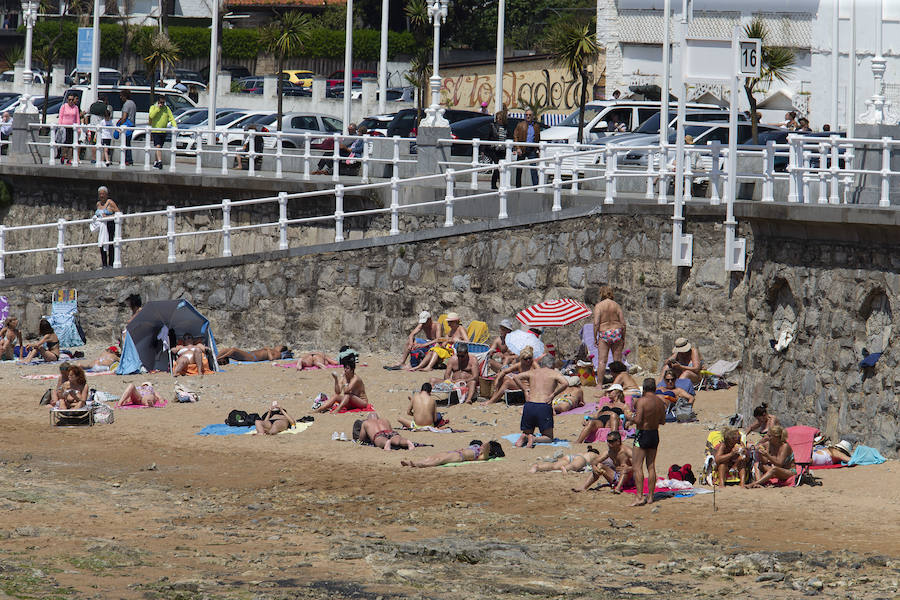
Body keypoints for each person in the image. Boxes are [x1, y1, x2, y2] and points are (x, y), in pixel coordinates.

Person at [626, 378, 667, 506]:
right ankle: (650, 496)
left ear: (644, 388)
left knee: (637, 466)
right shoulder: (660, 402)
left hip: (642, 434)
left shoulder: (641, 401)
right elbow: (662, 421)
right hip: (654, 434)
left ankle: (639, 497)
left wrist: (628, 417)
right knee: (651, 466)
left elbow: (638, 420)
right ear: (654, 388)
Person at [513, 355, 568, 448]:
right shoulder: (554, 373)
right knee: (548, 437)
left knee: (527, 431)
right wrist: (553, 395)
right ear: (553, 364)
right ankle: (533, 439)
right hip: (544, 405)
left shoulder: (533, 372)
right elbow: (565, 383)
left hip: (529, 405)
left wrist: (525, 390)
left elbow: (516, 377)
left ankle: (524, 436)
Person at [401, 439, 504, 467]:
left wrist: (490, 445)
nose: (481, 446)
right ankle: (413, 463)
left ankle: (419, 465)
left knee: (439, 460)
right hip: (454, 452)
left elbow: (486, 445)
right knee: (432, 457)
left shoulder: (483, 456)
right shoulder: (478, 449)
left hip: (460, 456)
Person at [593, 285, 626, 366]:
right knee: (617, 361)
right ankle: (618, 378)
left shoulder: (599, 306)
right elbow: (623, 324)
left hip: (604, 332)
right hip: (616, 331)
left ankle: (600, 379)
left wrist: (595, 338)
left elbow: (596, 323)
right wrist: (623, 337)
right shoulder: (616, 305)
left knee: (602, 361)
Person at [513, 109, 540, 188]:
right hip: (522, 148)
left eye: (530, 115)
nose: (528, 116)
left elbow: (538, 138)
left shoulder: (536, 126)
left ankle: (536, 186)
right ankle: (518, 186)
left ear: (533, 116)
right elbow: (515, 136)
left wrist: (538, 149)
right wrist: (517, 148)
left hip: (532, 149)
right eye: (526, 115)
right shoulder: (520, 125)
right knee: (519, 167)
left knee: (533, 167)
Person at [530, 445, 602, 474]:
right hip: (581, 459)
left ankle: (538, 467)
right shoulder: (595, 455)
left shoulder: (583, 453)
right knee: (573, 466)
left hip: (570, 457)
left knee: (554, 466)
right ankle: (565, 469)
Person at [148, 96, 177, 170]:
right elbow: (151, 116)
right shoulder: (153, 107)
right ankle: (160, 162)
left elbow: (171, 118)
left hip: (163, 131)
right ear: (158, 102)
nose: (162, 104)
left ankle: (156, 162)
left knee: (159, 147)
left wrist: (175, 126)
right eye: (161, 102)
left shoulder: (166, 109)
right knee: (158, 146)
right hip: (155, 130)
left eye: (163, 102)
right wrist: (158, 108)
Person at [94, 186, 120, 268]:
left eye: (103, 194)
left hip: (109, 225)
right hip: (102, 227)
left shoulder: (110, 203)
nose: (101, 196)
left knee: (110, 243)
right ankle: (104, 264)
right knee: (101, 243)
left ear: (106, 194)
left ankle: (111, 263)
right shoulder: (98, 204)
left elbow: (118, 213)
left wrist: (108, 216)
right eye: (100, 194)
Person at [57, 94, 80, 164]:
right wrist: (60, 126)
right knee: (65, 143)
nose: (71, 101)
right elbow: (60, 116)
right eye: (69, 100)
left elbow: (77, 118)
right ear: (67, 100)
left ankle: (69, 159)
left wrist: (78, 128)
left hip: (72, 128)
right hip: (64, 127)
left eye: (72, 100)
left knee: (71, 144)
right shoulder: (63, 106)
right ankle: (63, 156)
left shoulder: (76, 108)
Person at [489, 111, 508, 190]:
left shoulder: (506, 127)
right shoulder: (492, 126)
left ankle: (501, 183)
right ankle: (493, 184)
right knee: (497, 166)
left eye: (500, 118)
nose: (498, 120)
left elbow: (508, 137)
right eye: (497, 118)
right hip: (494, 150)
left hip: (503, 150)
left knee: (502, 167)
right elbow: (489, 137)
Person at [117, 90, 136, 165]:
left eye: (121, 96)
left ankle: (126, 160)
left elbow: (124, 117)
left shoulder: (126, 104)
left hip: (126, 126)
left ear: (125, 96)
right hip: (132, 125)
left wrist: (119, 124)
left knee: (124, 143)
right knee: (128, 143)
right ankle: (129, 159)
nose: (120, 98)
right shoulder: (133, 103)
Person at [216, 345, 288, 364]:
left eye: (279, 346)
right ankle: (215, 358)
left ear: (281, 348)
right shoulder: (273, 350)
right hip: (250, 354)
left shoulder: (278, 353)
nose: (277, 346)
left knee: (234, 350)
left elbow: (271, 359)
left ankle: (218, 359)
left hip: (252, 357)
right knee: (226, 350)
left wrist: (268, 350)